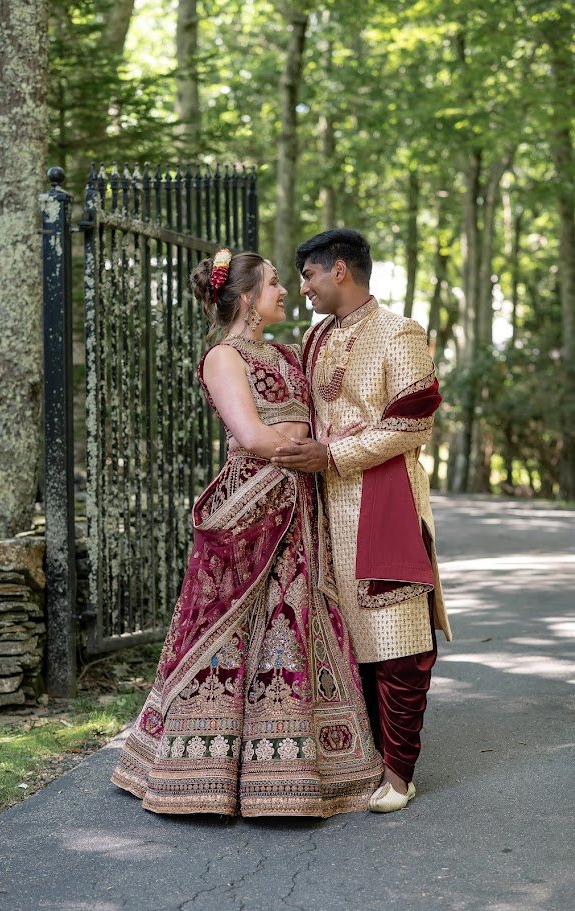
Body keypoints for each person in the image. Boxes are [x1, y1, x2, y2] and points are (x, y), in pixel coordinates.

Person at [111, 248, 383, 817]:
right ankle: (203, 770)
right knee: (231, 631)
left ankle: (296, 770)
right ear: (246, 298)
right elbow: (254, 436)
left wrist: (334, 447)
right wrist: (317, 453)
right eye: (275, 284)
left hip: (300, 505)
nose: (286, 292)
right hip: (252, 506)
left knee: (294, 628)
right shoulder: (223, 356)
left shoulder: (286, 352)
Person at [271, 229, 452, 813]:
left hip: (383, 497)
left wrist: (333, 455)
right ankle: (363, 759)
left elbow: (412, 427)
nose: (303, 289)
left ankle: (400, 774)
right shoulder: (315, 336)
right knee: (344, 633)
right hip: (323, 504)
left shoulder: (398, 334)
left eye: (309, 276)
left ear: (340, 270)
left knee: (396, 633)